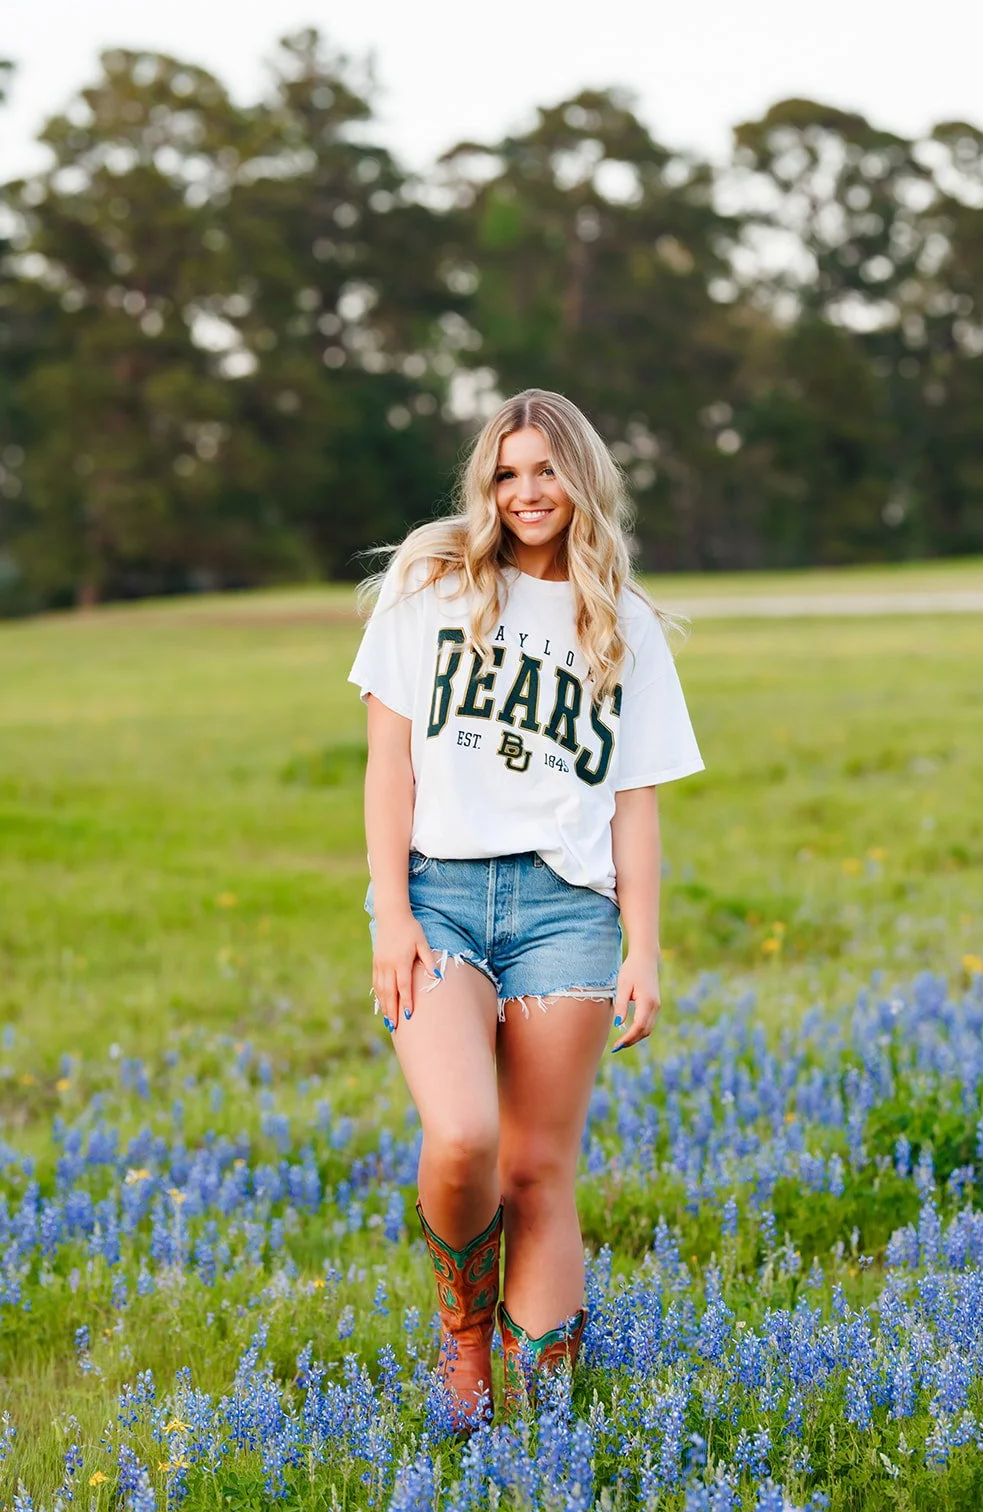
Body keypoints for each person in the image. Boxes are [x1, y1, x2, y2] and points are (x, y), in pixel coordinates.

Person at [348, 388, 703, 1426]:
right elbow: (384, 770)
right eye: (506, 472)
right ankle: (463, 1334)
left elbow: (632, 802)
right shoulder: (429, 588)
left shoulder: (623, 622)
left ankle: (543, 1423)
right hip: (438, 896)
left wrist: (642, 946)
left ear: (580, 478)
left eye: (545, 470)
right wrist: (395, 915)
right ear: (484, 484)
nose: (526, 490)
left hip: (566, 911)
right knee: (462, 1136)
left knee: (539, 1170)